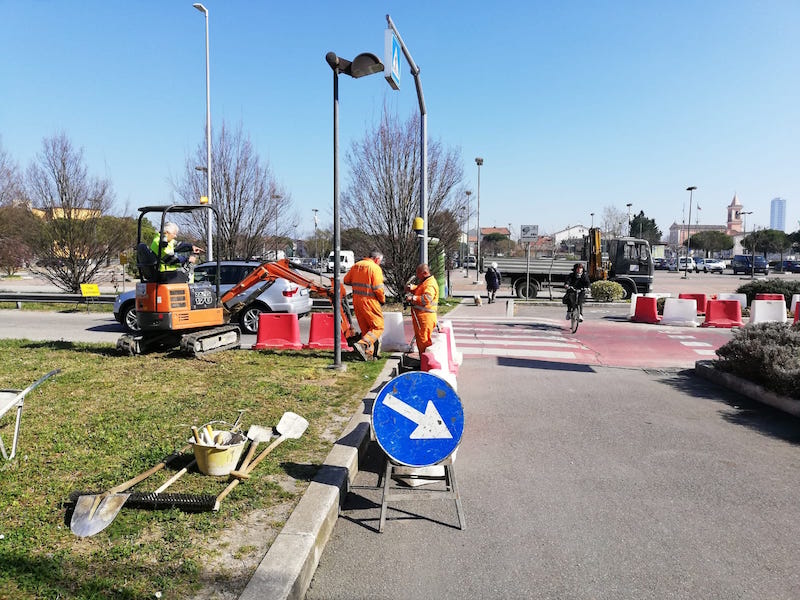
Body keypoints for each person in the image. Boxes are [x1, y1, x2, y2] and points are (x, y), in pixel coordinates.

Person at [343, 250, 385, 361]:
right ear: (376, 259)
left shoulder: (356, 265)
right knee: (378, 327)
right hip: (370, 301)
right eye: (380, 261)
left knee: (366, 329)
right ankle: (362, 344)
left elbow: (346, 280)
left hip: (357, 301)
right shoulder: (375, 268)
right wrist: (382, 300)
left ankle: (368, 354)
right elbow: (378, 289)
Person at [405, 263, 439, 356]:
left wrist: (413, 298)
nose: (417, 276)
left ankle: (425, 361)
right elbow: (421, 290)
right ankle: (423, 360)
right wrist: (412, 288)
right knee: (421, 339)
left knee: (424, 340)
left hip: (425, 316)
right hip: (423, 316)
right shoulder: (426, 282)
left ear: (424, 273)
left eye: (418, 273)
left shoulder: (429, 284)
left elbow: (427, 298)